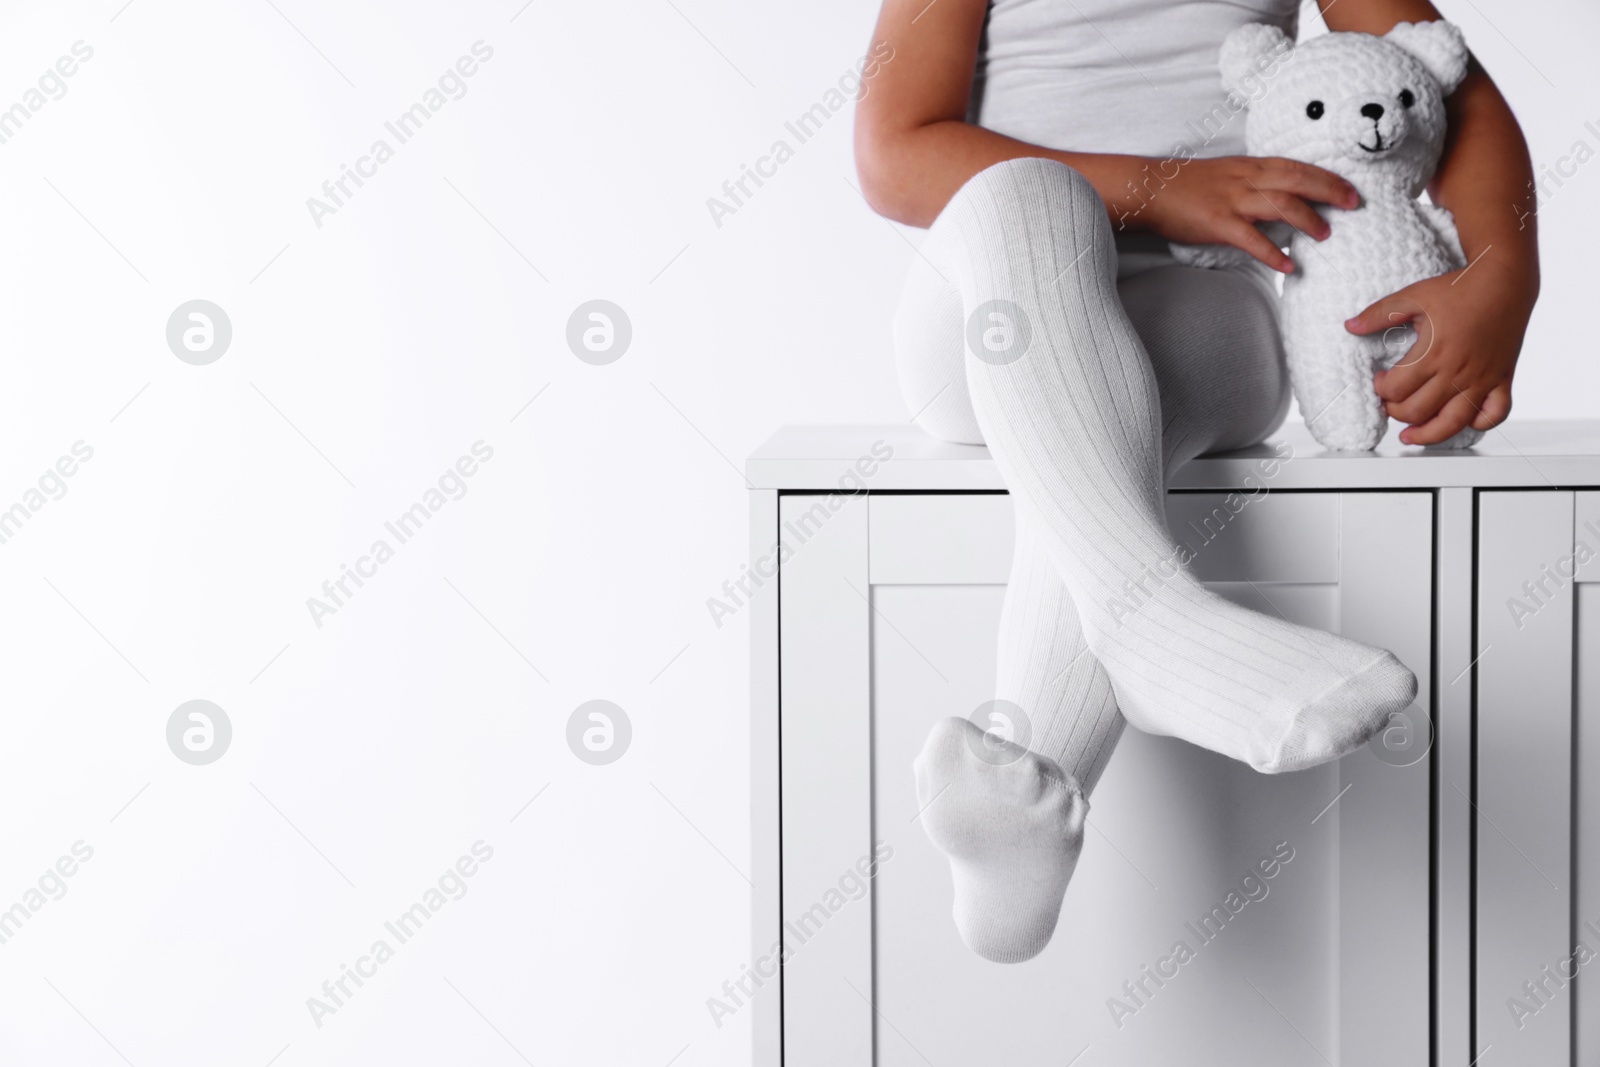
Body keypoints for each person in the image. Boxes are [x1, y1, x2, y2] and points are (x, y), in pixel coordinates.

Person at [853, 0, 1538, 962]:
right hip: (985, 306)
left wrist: (1502, 278)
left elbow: (1452, 92)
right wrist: (1155, 186)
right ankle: (1149, 626)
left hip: (1205, 304)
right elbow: (894, 150)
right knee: (1028, 193)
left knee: (1109, 415)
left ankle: (1026, 786)